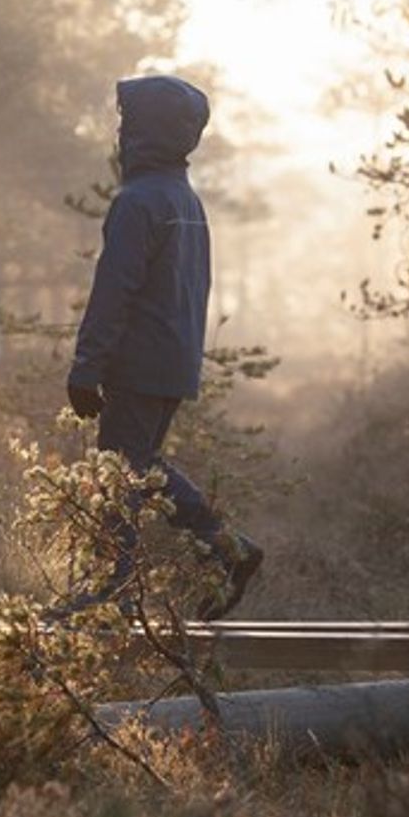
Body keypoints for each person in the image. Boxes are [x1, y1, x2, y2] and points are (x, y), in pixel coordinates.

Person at [62, 74, 263, 620]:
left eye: (129, 121)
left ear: (146, 130)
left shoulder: (139, 201)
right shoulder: (183, 199)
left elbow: (115, 289)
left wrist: (87, 366)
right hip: (171, 362)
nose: (121, 131)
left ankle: (116, 588)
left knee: (119, 472)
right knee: (137, 467)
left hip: (139, 363)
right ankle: (222, 552)